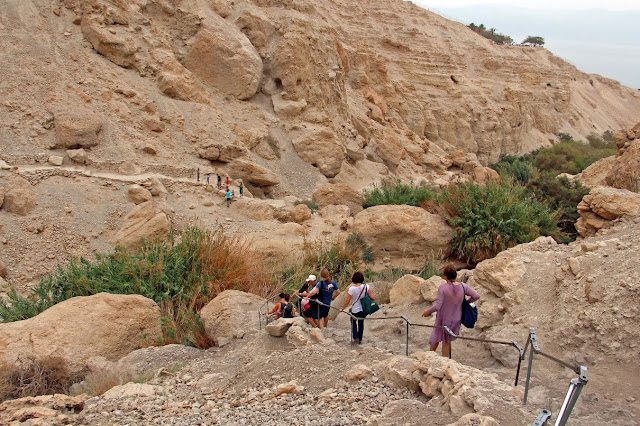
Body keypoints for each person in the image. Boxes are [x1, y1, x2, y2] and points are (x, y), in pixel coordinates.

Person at [422, 264, 480, 357]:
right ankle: (445, 362)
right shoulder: (463, 286)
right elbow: (476, 296)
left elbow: (438, 305)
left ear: (445, 276)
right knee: (446, 341)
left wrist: (427, 312)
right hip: (456, 318)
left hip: (443, 318)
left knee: (435, 338)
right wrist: (465, 302)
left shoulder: (443, 288)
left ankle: (429, 358)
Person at [340, 271, 376, 344]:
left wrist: (342, 308)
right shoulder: (366, 287)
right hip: (363, 309)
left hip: (355, 309)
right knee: (361, 323)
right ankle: (360, 339)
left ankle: (355, 337)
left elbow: (347, 301)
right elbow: (373, 297)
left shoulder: (352, 289)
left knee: (353, 321)